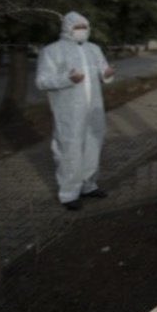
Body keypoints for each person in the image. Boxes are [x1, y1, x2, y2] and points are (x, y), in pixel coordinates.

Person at [35, 11, 114, 211]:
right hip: (68, 112)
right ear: (67, 29)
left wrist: (107, 74)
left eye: (84, 27)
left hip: (94, 109)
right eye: (77, 27)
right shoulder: (52, 51)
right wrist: (68, 80)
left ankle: (88, 185)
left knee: (93, 147)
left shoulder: (94, 49)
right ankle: (68, 193)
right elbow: (42, 81)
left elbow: (104, 71)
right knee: (70, 150)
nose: (81, 31)